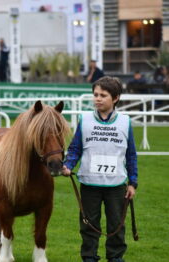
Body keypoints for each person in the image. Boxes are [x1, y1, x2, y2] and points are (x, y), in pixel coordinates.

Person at [62, 76, 138, 262]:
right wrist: (68, 165)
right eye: (95, 94)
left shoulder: (125, 122)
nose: (97, 98)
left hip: (116, 185)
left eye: (103, 95)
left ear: (115, 98)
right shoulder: (85, 119)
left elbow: (131, 155)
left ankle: (115, 258)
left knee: (117, 225)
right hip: (89, 184)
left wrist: (133, 183)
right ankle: (89, 257)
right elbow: (75, 149)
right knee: (88, 225)